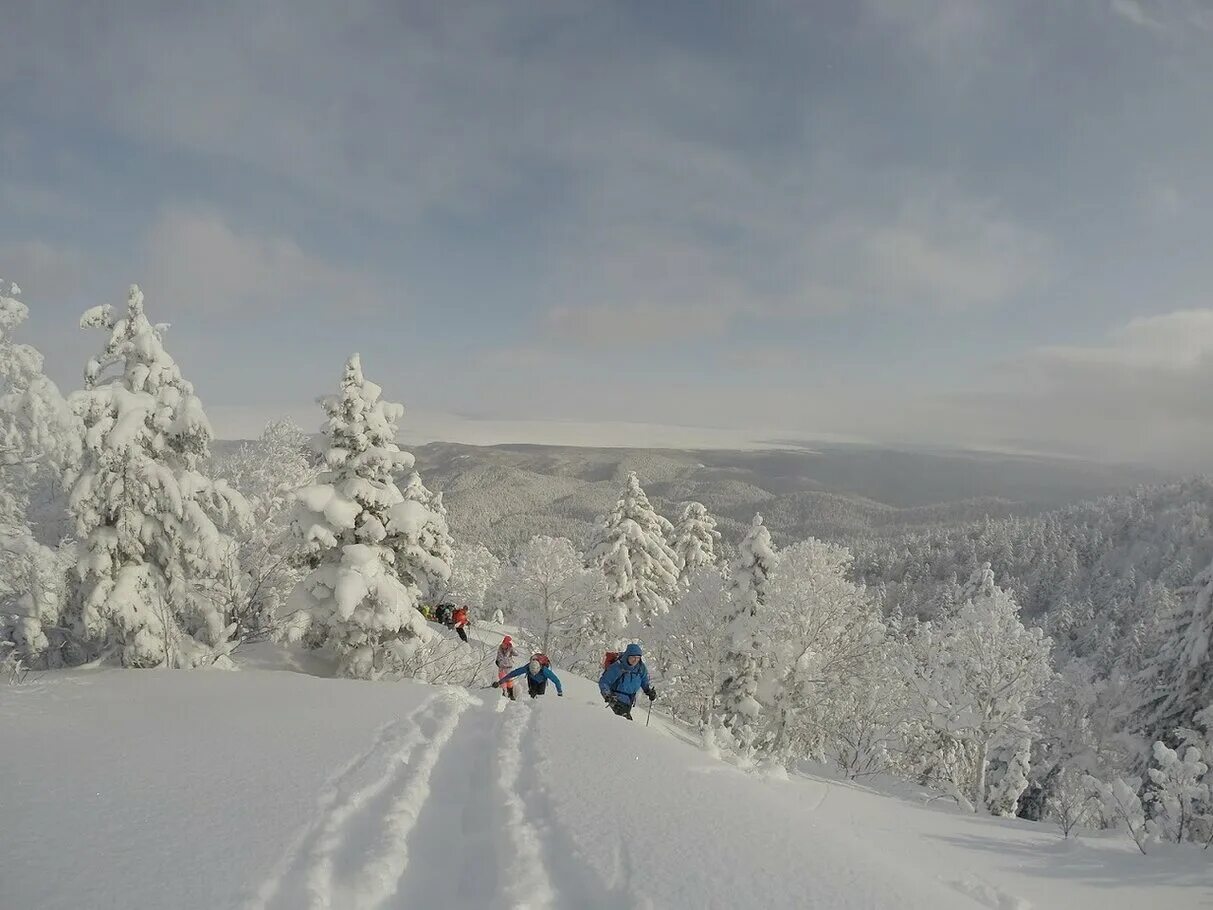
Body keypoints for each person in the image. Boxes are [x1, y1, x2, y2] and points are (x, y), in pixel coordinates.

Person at [599, 642, 656, 720]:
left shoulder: (640, 668)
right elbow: (604, 682)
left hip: (629, 701)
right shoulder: (618, 667)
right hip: (616, 700)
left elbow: (644, 680)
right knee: (625, 725)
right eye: (633, 657)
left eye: (638, 657)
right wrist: (608, 695)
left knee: (623, 726)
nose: (635, 660)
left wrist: (648, 691)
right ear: (627, 656)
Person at [493, 655, 563, 699]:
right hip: (532, 680)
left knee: (541, 695)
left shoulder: (545, 671)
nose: (534, 673)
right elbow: (512, 674)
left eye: (535, 672)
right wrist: (499, 682)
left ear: (539, 668)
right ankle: (532, 709)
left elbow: (556, 681)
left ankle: (538, 711)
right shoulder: (527, 668)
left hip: (542, 681)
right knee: (532, 693)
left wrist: (559, 692)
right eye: (532, 671)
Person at [495, 635, 518, 701]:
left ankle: (511, 694)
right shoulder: (500, 648)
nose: (503, 644)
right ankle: (503, 693)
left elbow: (517, 654)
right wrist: (497, 662)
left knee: (509, 681)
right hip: (501, 666)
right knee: (502, 680)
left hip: (509, 667)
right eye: (503, 643)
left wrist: (511, 649)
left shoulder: (510, 649)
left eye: (505, 643)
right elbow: (498, 656)